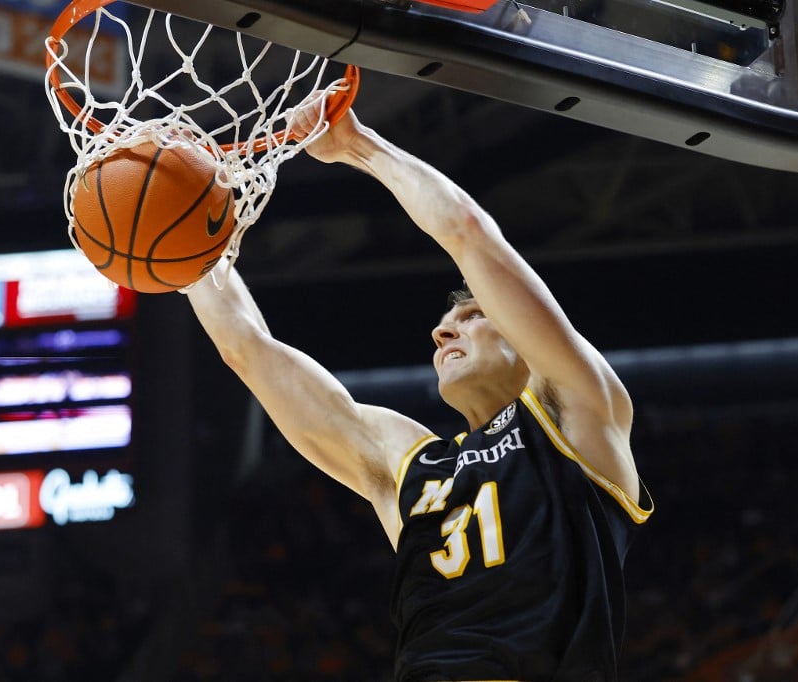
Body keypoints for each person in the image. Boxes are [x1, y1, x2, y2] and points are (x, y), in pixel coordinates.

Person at [186, 101, 653, 682]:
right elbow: (248, 351)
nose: (442, 329)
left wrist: (358, 145)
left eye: (473, 313)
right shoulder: (411, 464)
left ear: (525, 339)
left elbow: (468, 232)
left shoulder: (578, 410)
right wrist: (190, 250)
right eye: (445, 321)